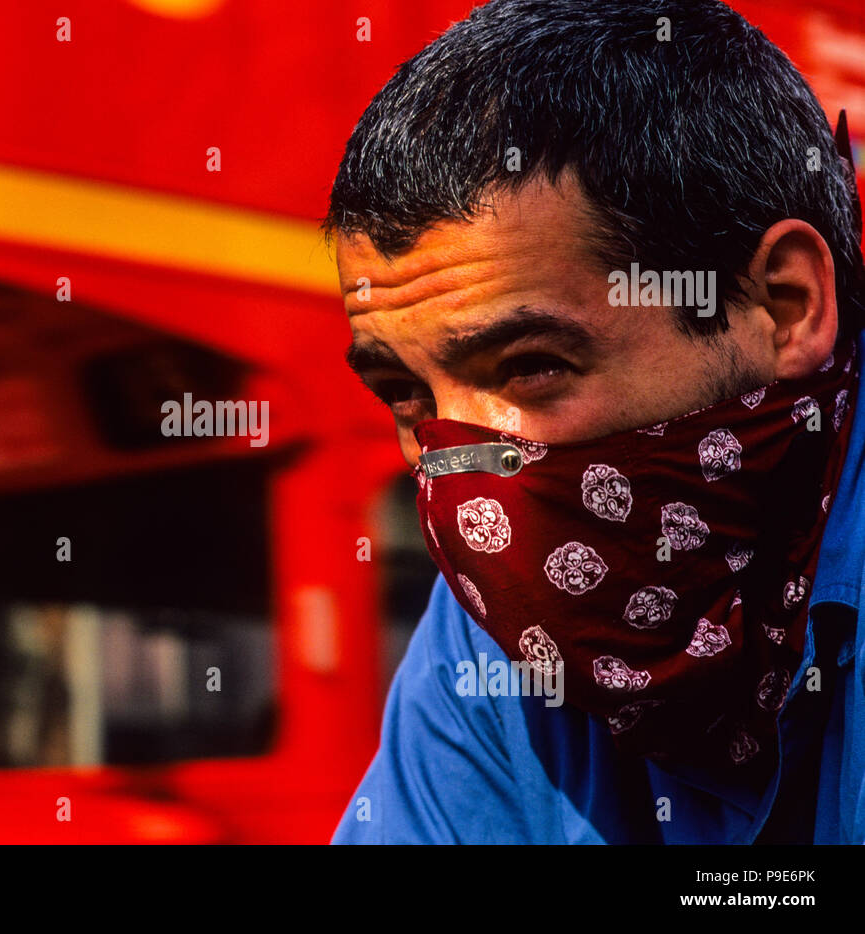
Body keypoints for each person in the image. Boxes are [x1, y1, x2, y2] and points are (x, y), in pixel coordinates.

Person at [325, 0, 865, 843]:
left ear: (784, 307)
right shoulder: (492, 636)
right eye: (409, 398)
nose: (463, 480)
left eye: (533, 367)